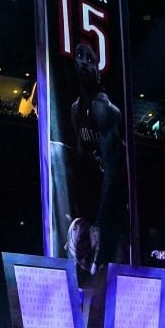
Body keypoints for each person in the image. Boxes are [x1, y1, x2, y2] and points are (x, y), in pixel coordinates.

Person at [64, 41, 129, 276]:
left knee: (114, 275)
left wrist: (100, 227)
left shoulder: (103, 108)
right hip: (96, 198)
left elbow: (113, 173)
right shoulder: (75, 109)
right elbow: (83, 161)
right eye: (79, 56)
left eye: (89, 59)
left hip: (117, 200)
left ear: (97, 70)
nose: (82, 62)